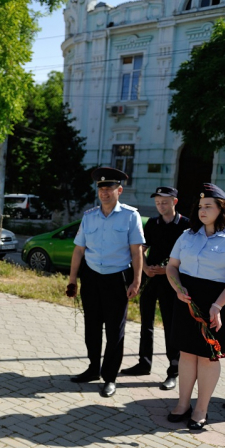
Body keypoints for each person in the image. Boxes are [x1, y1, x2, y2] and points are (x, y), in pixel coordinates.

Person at [165, 183, 225, 430]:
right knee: (187, 354)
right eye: (200, 206)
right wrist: (178, 288)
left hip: (218, 304)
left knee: (208, 357)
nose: (202, 211)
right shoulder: (187, 235)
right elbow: (172, 267)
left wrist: (218, 305)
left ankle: (201, 409)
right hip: (187, 301)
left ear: (221, 209)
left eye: (208, 206)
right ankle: (183, 404)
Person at [66, 167, 145, 398]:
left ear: (119, 190)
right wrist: (73, 280)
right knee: (92, 327)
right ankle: (93, 368)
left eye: (109, 188)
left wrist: (137, 280)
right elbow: (79, 250)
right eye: (101, 188)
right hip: (91, 277)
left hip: (117, 279)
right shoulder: (89, 216)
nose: (105, 193)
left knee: (114, 331)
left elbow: (137, 251)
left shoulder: (131, 216)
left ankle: (110, 377)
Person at [122, 187, 189, 390]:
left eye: (165, 202)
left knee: (170, 326)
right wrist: (145, 268)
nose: (161, 206)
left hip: (172, 283)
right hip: (151, 280)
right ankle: (144, 363)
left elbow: (188, 253)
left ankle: (173, 370)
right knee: (146, 324)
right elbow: (141, 248)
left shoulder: (186, 225)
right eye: (158, 202)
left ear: (174, 202)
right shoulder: (152, 223)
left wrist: (167, 269)